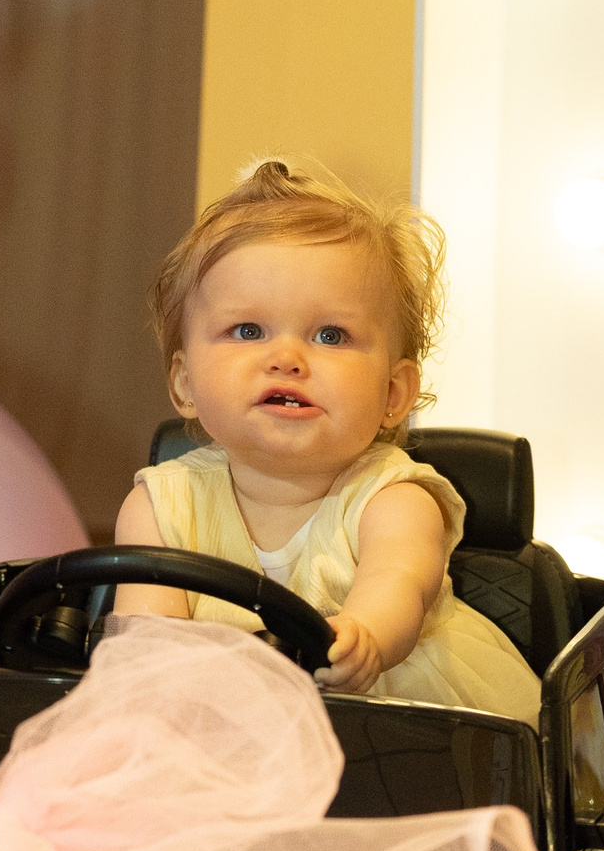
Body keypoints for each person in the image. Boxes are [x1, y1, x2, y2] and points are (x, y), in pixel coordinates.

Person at [115, 160, 541, 718]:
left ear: (393, 392)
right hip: (216, 720)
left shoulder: (393, 499)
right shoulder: (160, 507)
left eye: (330, 335)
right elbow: (145, 645)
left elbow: (398, 583)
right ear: (185, 383)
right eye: (248, 330)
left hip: (393, 723)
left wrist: (366, 635)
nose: (286, 358)